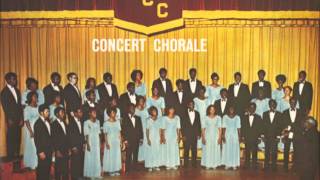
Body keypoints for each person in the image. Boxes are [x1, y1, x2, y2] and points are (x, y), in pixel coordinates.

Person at [0, 72, 23, 172]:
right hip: (11, 120)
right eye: (13, 79)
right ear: (8, 80)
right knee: (11, 141)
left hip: (18, 119)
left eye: (15, 79)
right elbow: (5, 107)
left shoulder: (17, 91)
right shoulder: (4, 92)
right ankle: (10, 165)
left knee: (17, 140)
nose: (15, 81)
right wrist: (9, 119)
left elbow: (19, 107)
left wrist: (21, 118)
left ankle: (17, 165)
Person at [281, 97, 303, 171]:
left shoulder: (301, 112)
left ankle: (296, 167)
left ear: (296, 103)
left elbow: (301, 124)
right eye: (291, 102)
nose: (293, 103)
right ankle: (285, 167)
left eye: (294, 102)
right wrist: (284, 135)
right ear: (289, 103)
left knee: (297, 150)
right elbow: (283, 124)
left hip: (297, 134)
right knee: (286, 150)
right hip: (287, 134)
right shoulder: (284, 112)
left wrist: (293, 129)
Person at [121, 103, 143, 172]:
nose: (133, 109)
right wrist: (125, 140)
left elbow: (140, 129)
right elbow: (123, 130)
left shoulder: (138, 118)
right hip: (129, 139)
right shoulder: (124, 118)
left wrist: (141, 138)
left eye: (134, 108)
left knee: (136, 154)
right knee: (129, 154)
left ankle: (135, 168)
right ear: (128, 109)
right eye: (131, 108)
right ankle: (127, 169)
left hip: (136, 139)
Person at [241, 103, 263, 169]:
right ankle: (247, 164)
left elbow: (260, 128)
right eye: (250, 107)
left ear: (255, 109)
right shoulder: (244, 117)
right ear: (248, 108)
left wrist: (259, 137)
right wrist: (243, 137)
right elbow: (243, 128)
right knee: (247, 151)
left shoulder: (258, 117)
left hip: (255, 137)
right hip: (247, 137)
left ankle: (254, 165)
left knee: (254, 151)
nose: (252, 109)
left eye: (253, 108)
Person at [262, 99, 282, 171]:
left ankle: (274, 166)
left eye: (274, 104)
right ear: (269, 105)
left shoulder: (279, 114)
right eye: (271, 104)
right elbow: (263, 126)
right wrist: (263, 136)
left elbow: (280, 126)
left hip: (275, 136)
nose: (272, 106)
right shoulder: (264, 114)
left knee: (274, 152)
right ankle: (266, 166)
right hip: (267, 136)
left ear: (275, 105)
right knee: (266, 152)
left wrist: (278, 136)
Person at [34, 105, 52, 180]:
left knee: (47, 170)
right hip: (42, 152)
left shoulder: (48, 122)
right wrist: (40, 151)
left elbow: (50, 137)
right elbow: (37, 139)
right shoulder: (38, 123)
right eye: (47, 112)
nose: (49, 113)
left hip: (48, 150)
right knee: (42, 170)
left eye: (49, 111)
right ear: (41, 113)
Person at [201, 105, 222, 169]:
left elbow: (220, 128)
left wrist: (220, 138)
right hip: (208, 136)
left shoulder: (218, 118)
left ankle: (214, 165)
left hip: (216, 136)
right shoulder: (205, 118)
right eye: (211, 109)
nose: (212, 111)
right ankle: (208, 164)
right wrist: (203, 138)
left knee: (215, 150)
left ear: (215, 110)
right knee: (208, 150)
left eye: (213, 109)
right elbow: (203, 129)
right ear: (208, 110)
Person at [181, 100, 201, 168]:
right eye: (190, 104)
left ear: (194, 105)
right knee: (186, 150)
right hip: (186, 135)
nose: (191, 105)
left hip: (194, 135)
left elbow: (199, 124)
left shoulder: (197, 113)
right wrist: (183, 135)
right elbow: (182, 125)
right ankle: (185, 164)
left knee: (194, 150)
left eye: (193, 104)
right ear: (188, 105)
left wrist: (199, 134)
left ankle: (194, 164)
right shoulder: (183, 113)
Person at [102, 107, 122, 176]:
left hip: (116, 141)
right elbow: (105, 134)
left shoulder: (117, 122)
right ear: (109, 114)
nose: (113, 114)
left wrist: (121, 142)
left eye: (114, 112)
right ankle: (111, 170)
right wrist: (106, 143)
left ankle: (116, 169)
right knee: (110, 156)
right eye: (112, 113)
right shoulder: (106, 123)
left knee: (116, 155)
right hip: (110, 141)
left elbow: (119, 132)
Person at [23, 92, 39, 170]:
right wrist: (31, 131)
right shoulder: (27, 108)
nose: (36, 98)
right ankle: (32, 163)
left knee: (38, 145)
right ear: (30, 98)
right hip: (31, 128)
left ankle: (38, 162)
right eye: (34, 97)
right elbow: (26, 121)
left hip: (38, 128)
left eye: (36, 96)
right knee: (33, 146)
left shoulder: (38, 107)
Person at [51, 107, 69, 180]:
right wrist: (57, 150)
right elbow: (53, 139)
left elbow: (67, 137)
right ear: (57, 114)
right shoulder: (53, 124)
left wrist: (69, 148)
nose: (63, 114)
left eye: (64, 112)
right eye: (62, 112)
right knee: (58, 170)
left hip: (65, 149)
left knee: (65, 169)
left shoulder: (64, 122)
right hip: (59, 150)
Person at [83, 107, 102, 178]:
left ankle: (97, 174)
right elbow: (86, 134)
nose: (95, 113)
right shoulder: (86, 122)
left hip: (96, 141)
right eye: (93, 112)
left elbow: (99, 133)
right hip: (90, 141)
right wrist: (87, 144)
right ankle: (91, 174)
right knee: (90, 157)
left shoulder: (98, 121)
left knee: (97, 157)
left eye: (95, 112)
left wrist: (99, 142)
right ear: (89, 113)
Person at [68, 106, 85, 180]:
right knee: (75, 161)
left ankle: (80, 175)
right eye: (79, 112)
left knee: (81, 160)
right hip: (75, 145)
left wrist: (84, 143)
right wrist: (73, 146)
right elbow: (70, 136)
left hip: (81, 144)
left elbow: (82, 134)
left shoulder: (82, 121)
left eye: (81, 112)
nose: (81, 113)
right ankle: (75, 177)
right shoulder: (71, 123)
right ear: (75, 113)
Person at [145, 106, 163, 171]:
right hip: (151, 137)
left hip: (157, 137)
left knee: (157, 151)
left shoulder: (159, 119)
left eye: (155, 111)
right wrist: (148, 139)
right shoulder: (148, 120)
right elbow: (147, 130)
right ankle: (150, 166)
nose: (154, 112)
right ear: (151, 112)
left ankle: (156, 165)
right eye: (153, 111)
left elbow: (160, 130)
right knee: (150, 151)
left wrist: (161, 138)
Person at [135, 96, 149, 162]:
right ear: (138, 101)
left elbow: (148, 117)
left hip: (146, 127)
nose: (142, 102)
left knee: (146, 142)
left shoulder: (146, 109)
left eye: (143, 101)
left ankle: (145, 158)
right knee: (140, 142)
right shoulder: (135, 109)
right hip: (139, 128)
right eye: (140, 100)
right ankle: (139, 159)